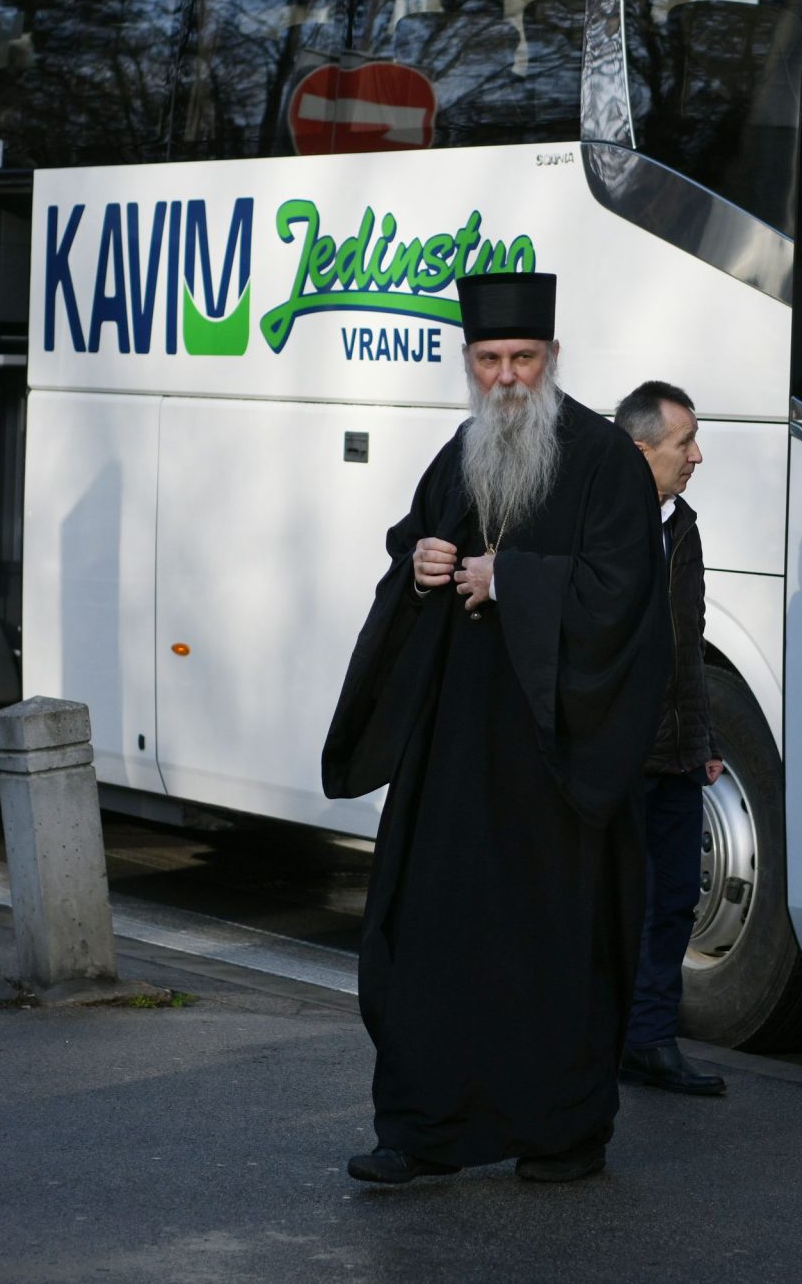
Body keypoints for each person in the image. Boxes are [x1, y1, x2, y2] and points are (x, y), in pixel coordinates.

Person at [323, 271, 670, 1186]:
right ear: (469, 363)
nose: (508, 377)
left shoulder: (603, 458)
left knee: (553, 951)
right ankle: (422, 1129)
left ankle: (561, 1133)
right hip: (456, 753)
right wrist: (425, 561)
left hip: (558, 760)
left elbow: (624, 595)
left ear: (552, 359)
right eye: (490, 360)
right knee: (430, 934)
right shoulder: (460, 451)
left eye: (524, 358)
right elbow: (414, 544)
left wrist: (510, 581)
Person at [613, 380, 726, 1099]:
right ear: (640, 447)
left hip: (679, 755)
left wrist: (705, 735)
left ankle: (649, 1041)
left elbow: (693, 642)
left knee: (675, 901)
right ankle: (594, 1039)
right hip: (621, 758)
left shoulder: (682, 525)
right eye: (684, 442)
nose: (697, 455)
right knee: (617, 905)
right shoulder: (598, 524)